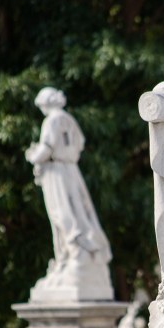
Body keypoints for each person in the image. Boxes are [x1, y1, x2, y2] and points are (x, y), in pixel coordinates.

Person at [26, 87, 112, 293]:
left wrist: (32, 156)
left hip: (57, 171)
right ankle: (73, 254)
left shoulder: (52, 120)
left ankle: (74, 252)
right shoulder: (68, 119)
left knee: (62, 213)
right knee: (78, 210)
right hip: (71, 169)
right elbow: (80, 143)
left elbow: (46, 149)